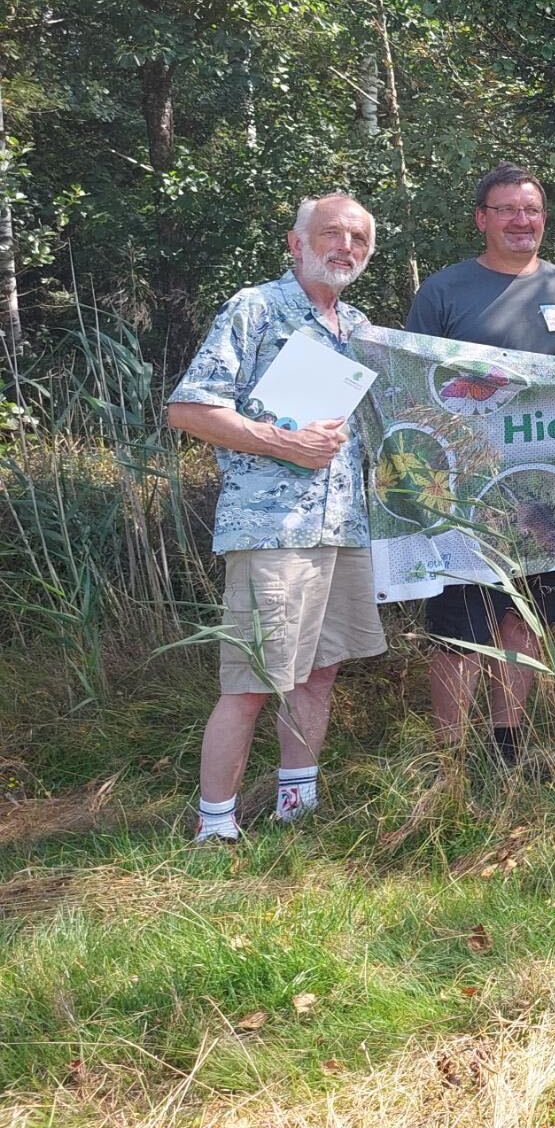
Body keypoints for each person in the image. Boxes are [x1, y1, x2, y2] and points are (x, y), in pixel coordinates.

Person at [168, 193, 387, 842]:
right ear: (296, 244)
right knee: (253, 680)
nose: (345, 247)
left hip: (342, 527)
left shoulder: (360, 326)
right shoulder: (256, 309)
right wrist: (283, 442)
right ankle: (216, 826)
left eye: (359, 239)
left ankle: (298, 806)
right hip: (273, 532)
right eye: (331, 234)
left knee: (320, 672)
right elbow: (190, 410)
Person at [405, 164, 555, 767]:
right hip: (465, 494)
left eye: (532, 210)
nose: (522, 221)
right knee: (462, 627)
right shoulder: (444, 290)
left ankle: (507, 747)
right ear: (481, 219)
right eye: (508, 210)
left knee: (525, 622)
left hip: (546, 488)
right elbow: (411, 386)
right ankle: (450, 759)